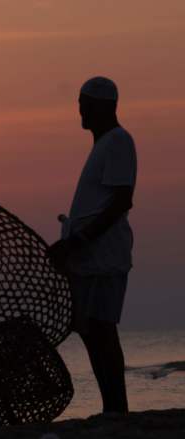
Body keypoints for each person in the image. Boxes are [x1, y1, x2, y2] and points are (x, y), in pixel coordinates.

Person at [49, 76, 136, 414]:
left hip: (104, 255)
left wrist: (78, 240)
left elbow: (120, 202)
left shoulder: (118, 141)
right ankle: (111, 406)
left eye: (85, 105)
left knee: (102, 329)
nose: (80, 112)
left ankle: (117, 407)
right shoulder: (103, 145)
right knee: (89, 328)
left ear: (103, 107)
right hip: (88, 256)